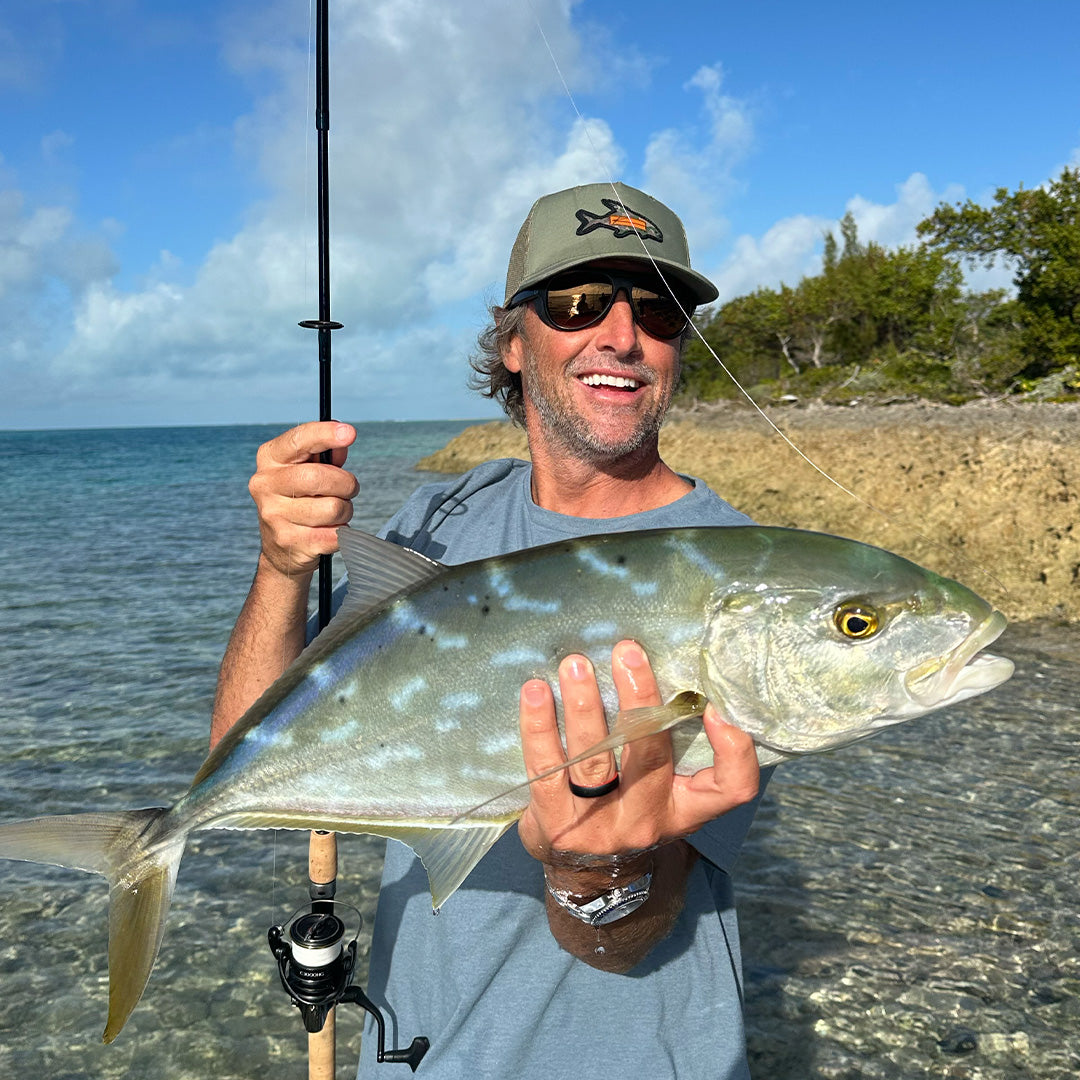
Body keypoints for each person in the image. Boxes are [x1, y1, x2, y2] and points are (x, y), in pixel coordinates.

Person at [211, 182, 767, 1079]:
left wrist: (596, 876)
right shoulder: (440, 519)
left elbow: (628, 941)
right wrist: (280, 570)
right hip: (412, 1056)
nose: (621, 336)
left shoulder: (735, 574)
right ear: (512, 342)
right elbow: (245, 749)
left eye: (658, 312)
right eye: (579, 302)